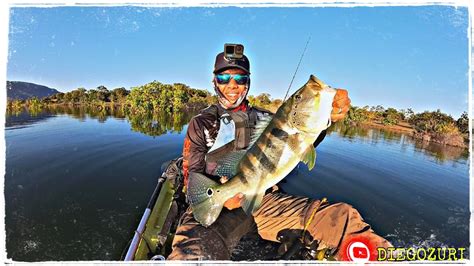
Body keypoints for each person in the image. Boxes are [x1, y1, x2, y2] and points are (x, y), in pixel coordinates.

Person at [167, 44, 391, 260]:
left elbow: (298, 144)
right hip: (219, 206)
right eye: (225, 78)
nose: (232, 85)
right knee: (193, 252)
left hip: (264, 202)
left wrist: (328, 118)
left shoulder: (266, 118)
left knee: (341, 218)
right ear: (215, 81)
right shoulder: (201, 123)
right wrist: (222, 197)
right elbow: (193, 179)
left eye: (240, 78)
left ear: (248, 83)